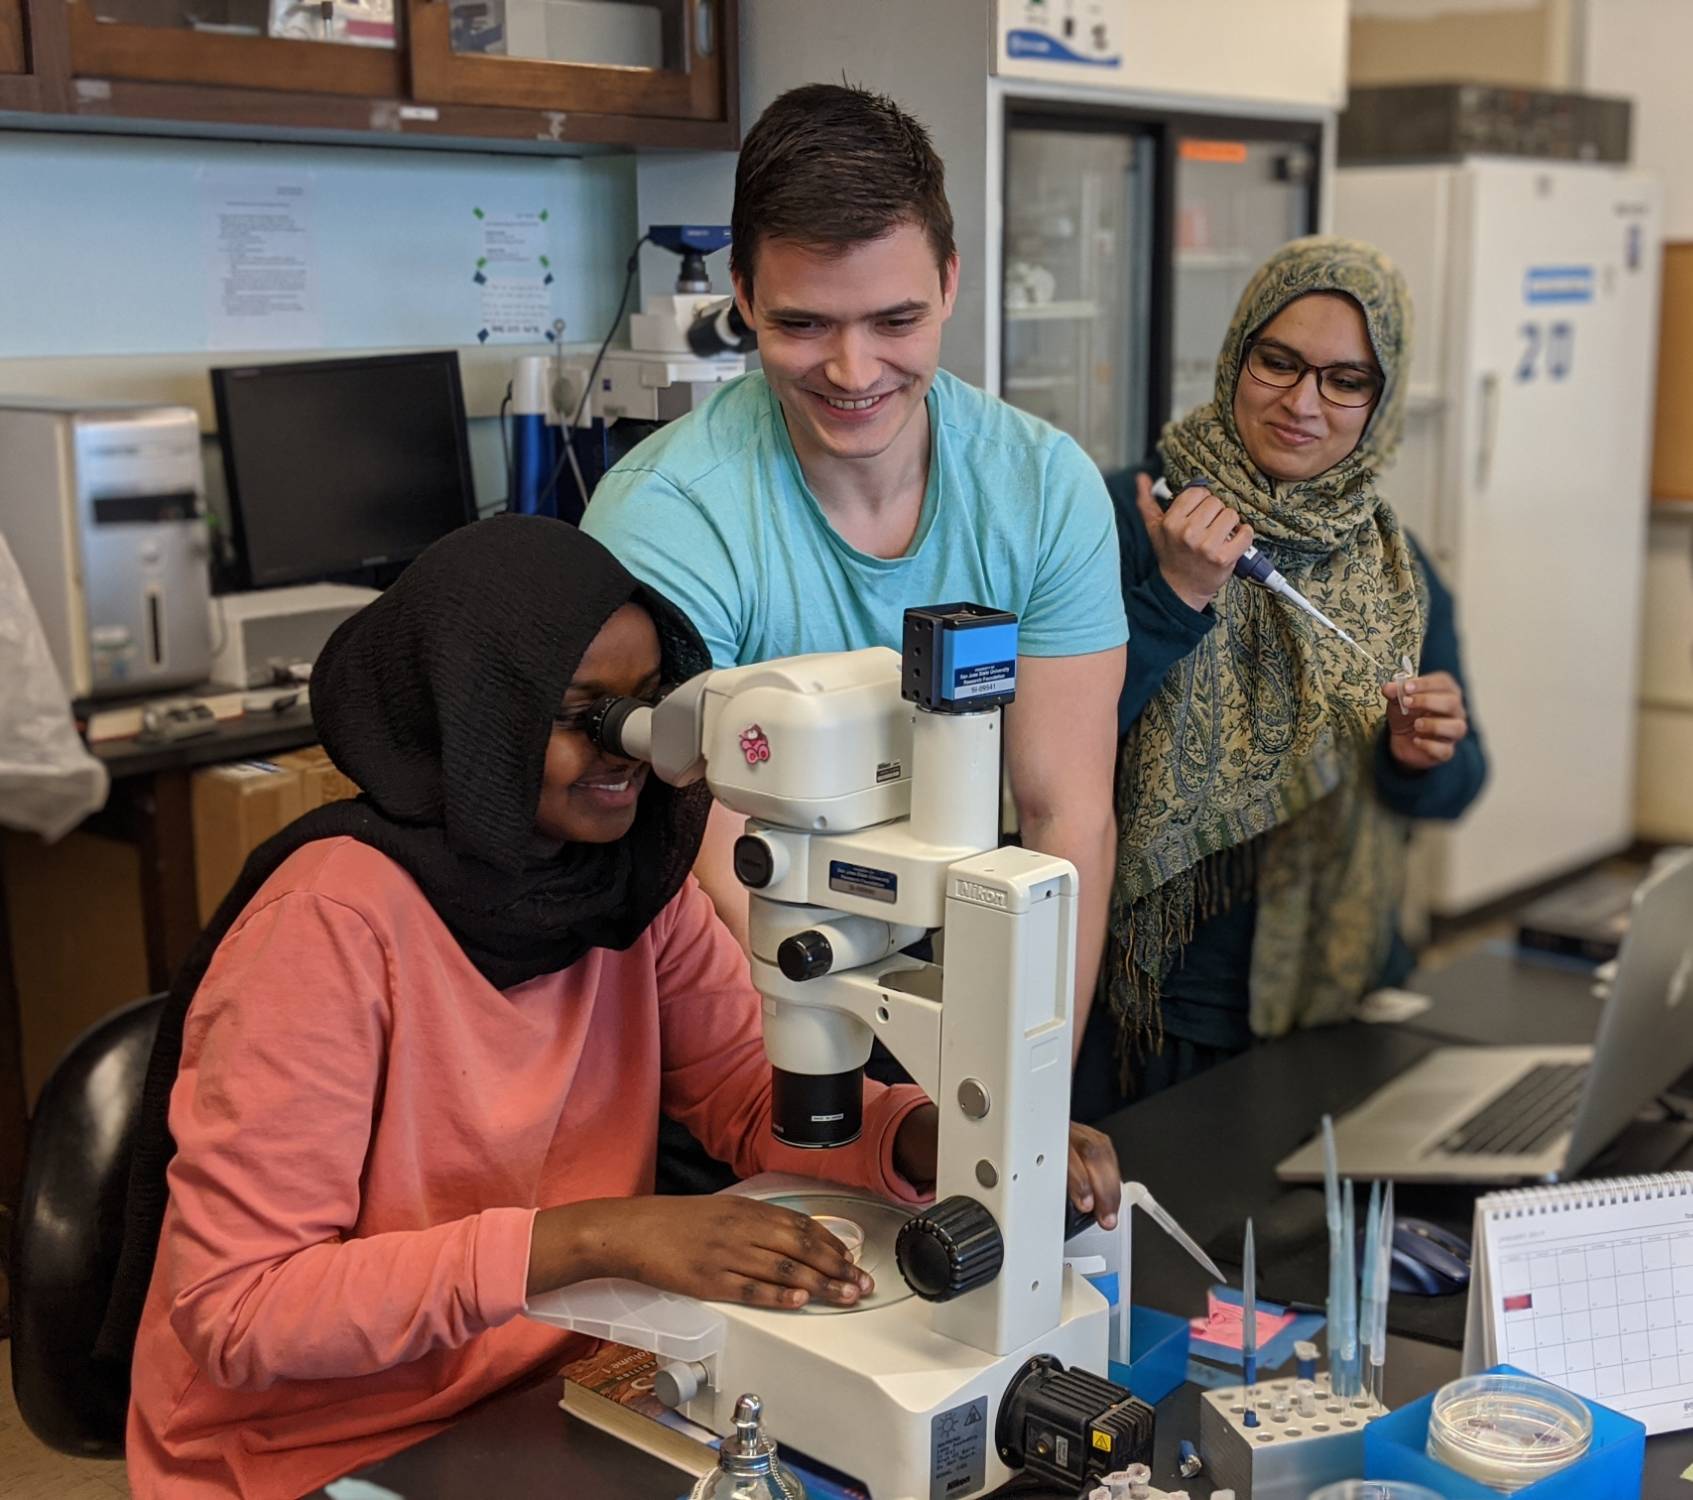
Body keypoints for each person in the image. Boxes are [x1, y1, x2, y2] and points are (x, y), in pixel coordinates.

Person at [94, 515, 1123, 1498]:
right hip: (321, 1446)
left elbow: (739, 1091)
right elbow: (241, 1309)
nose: (630, 744)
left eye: (646, 700)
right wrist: (593, 1238)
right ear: (471, 719)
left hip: (562, 1387)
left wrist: (928, 1138)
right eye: (581, 712)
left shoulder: (628, 882)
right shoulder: (329, 925)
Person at [581, 83, 1126, 1064]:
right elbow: (702, 849)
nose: (852, 368)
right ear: (741, 297)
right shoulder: (669, 514)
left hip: (971, 961)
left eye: (894, 319)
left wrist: (1026, 1077)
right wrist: (847, 1111)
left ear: (951, 283)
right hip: (744, 991)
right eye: (801, 325)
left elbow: (1064, 813)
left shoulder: (1043, 490)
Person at [1073, 237, 1487, 1121]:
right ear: (1235, 358)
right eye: (1278, 362)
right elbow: (1031, 756)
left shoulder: (1392, 568)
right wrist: (1174, 597)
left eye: (1346, 380)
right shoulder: (1118, 512)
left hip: (1337, 995)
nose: (1303, 403)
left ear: (1381, 401)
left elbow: (1452, 789)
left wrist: (1421, 756)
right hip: (1146, 1012)